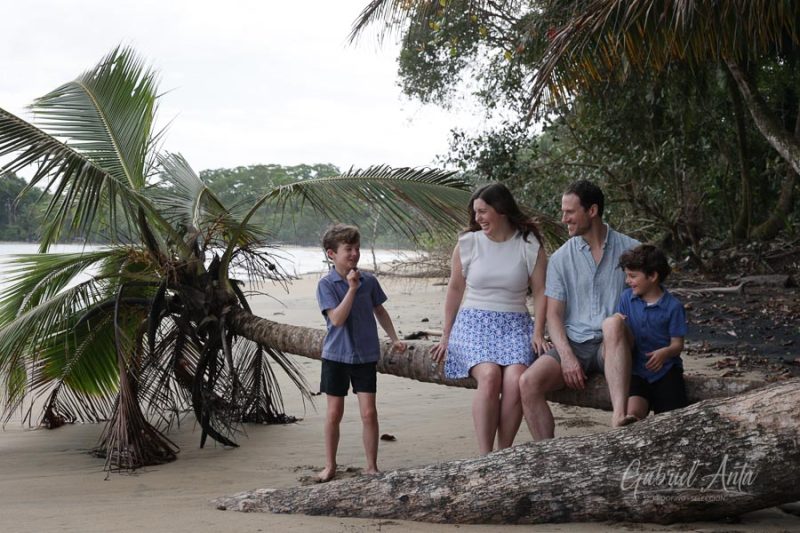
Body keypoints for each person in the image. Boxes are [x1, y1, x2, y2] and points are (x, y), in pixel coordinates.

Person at [431, 183, 549, 455]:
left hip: (516, 323)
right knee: (490, 375)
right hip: (473, 322)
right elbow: (455, 288)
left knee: (516, 377)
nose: (478, 219)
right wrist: (446, 335)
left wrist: (538, 332)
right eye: (475, 213)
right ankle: (485, 455)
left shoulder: (529, 244)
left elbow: (542, 292)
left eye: (483, 212)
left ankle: (502, 451)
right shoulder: (468, 243)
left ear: (502, 210)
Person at [519, 180, 639, 439]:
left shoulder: (632, 250)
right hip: (574, 343)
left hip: (615, 342)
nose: (563, 219)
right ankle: (547, 451)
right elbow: (553, 315)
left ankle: (619, 416)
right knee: (528, 383)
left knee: (613, 324)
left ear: (592, 211)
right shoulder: (561, 258)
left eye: (570, 212)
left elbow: (649, 300)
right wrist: (568, 357)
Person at [315, 223, 407, 482]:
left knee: (369, 413)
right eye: (348, 249)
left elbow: (380, 310)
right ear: (332, 254)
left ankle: (372, 466)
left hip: (365, 355)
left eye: (357, 248)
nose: (354, 254)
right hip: (335, 356)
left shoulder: (369, 281)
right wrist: (352, 289)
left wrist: (395, 338)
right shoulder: (327, 285)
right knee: (334, 413)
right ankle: (330, 465)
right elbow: (337, 320)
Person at [615, 244, 688, 423]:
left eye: (632, 276)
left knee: (670, 421)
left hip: (666, 371)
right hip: (637, 371)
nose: (627, 281)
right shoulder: (626, 299)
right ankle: (633, 422)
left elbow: (677, 344)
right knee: (633, 413)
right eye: (626, 275)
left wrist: (665, 353)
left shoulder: (674, 307)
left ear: (653, 276)